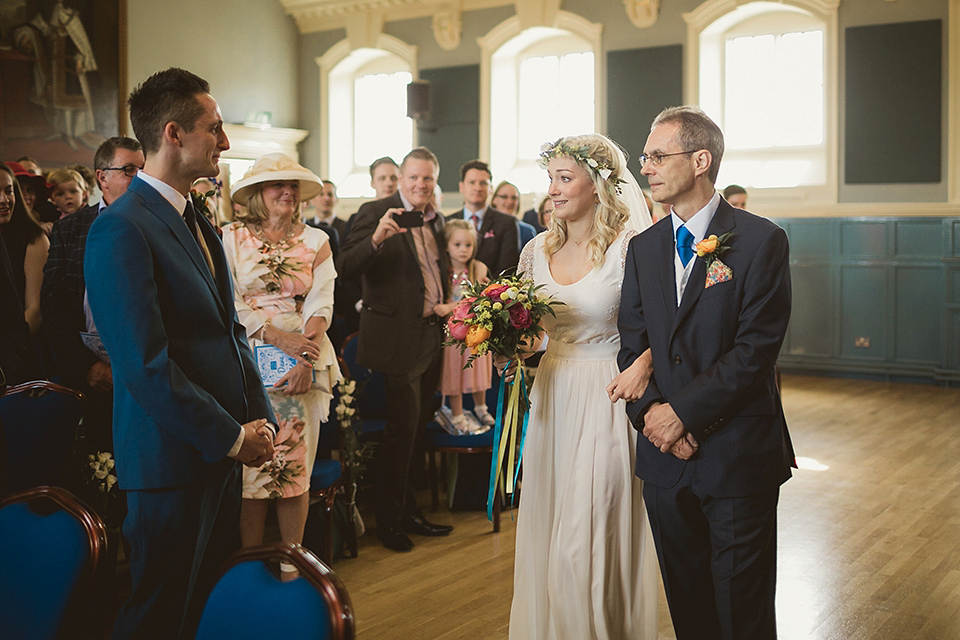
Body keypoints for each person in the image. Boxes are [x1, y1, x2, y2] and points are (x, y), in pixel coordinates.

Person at [83, 68, 276, 640]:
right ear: (173, 133)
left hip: (218, 450)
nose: (226, 141)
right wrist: (232, 435)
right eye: (214, 129)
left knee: (204, 611)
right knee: (158, 614)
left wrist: (255, 416)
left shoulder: (198, 221)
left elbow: (227, 330)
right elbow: (145, 364)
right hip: (168, 460)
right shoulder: (121, 229)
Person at [619, 106, 794, 640]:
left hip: (737, 454)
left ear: (701, 160)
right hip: (665, 460)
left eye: (656, 155)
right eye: (643, 157)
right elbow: (633, 348)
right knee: (688, 607)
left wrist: (683, 415)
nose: (645, 167)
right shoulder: (643, 248)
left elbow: (754, 351)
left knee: (743, 613)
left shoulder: (760, 240)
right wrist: (651, 417)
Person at [507, 134, 658, 639]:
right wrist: (507, 341)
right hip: (552, 393)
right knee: (553, 526)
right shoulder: (536, 249)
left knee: (587, 534)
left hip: (609, 391)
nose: (553, 190)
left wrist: (645, 364)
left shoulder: (630, 246)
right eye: (550, 178)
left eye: (564, 178)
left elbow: (669, 323)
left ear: (597, 185)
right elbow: (533, 335)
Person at [223, 153, 342, 573]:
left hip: (304, 362)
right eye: (278, 185)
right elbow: (227, 300)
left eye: (293, 185)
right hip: (245, 358)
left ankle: (293, 567)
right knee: (252, 473)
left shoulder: (316, 240)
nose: (288, 192)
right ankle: (249, 569)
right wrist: (274, 336)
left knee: (294, 470)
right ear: (257, 193)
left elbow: (322, 301)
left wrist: (305, 355)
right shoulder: (230, 237)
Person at [338, 146, 454, 552]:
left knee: (416, 429)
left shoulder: (433, 219)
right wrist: (377, 238)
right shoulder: (376, 211)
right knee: (400, 431)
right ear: (401, 179)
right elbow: (345, 266)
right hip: (395, 338)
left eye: (428, 179)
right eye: (414, 178)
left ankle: (409, 511)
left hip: (430, 334)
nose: (421, 185)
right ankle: (388, 521)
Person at [41, 136, 144, 451]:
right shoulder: (70, 229)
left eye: (143, 170)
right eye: (128, 170)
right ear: (102, 176)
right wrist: (86, 366)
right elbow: (54, 305)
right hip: (88, 371)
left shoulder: (157, 225)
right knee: (95, 465)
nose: (139, 178)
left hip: (145, 372)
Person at [436, 219, 493, 433]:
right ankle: (457, 414)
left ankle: (481, 406)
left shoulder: (477, 267)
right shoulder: (443, 270)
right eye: (457, 245)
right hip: (452, 333)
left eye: (468, 245)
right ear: (447, 246)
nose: (463, 250)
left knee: (477, 368)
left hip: (474, 331)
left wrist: (449, 306)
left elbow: (476, 297)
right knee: (454, 374)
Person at [446, 161, 519, 278]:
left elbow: (508, 268)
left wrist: (486, 292)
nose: (477, 188)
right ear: (461, 187)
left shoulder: (507, 223)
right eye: (472, 182)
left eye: (483, 183)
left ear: (491, 189)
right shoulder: (447, 222)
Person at [0, 162, 48, 336]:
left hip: (21, 346)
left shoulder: (33, 237)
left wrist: (9, 354)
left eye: (8, 191)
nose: (3, 200)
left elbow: (35, 311)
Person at [492, 179, 537, 250]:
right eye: (504, 197)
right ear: (494, 200)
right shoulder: (486, 227)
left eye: (514, 198)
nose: (510, 201)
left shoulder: (528, 231)